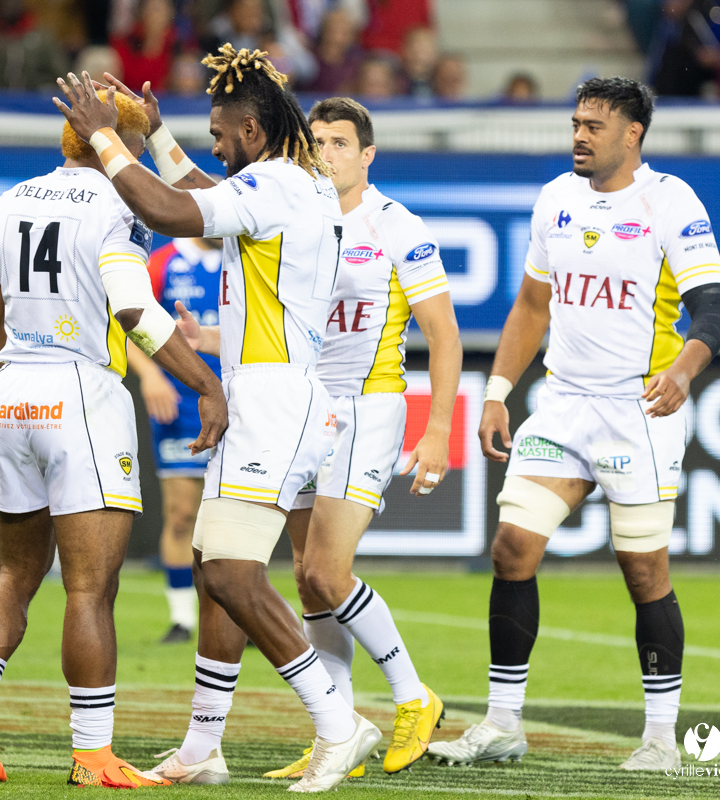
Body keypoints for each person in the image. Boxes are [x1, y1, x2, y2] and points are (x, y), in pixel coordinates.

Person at [57, 48, 383, 792]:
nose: (213, 147)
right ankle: (203, 746)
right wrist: (156, 136)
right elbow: (202, 192)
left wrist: (105, 136)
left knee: (235, 574)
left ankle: (338, 725)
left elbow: (171, 211)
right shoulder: (292, 182)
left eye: (219, 134)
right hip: (262, 394)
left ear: (253, 130)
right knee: (212, 570)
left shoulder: (278, 184)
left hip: (276, 402)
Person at [428, 77, 720, 771]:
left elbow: (712, 308)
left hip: (638, 410)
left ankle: (661, 740)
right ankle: (503, 724)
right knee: (511, 548)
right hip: (562, 404)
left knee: (644, 570)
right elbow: (532, 306)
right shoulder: (555, 198)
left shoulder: (670, 201)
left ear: (633, 134)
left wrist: (683, 372)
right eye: (576, 123)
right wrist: (498, 391)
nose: (579, 136)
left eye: (594, 125)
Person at [0, 88, 226, 788]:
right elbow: (134, 309)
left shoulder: (4, 204)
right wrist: (205, 382)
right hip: (81, 392)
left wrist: (6, 388)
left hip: (12, 390)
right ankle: (93, 754)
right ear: (117, 145)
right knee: (90, 588)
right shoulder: (118, 206)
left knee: (14, 574)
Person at [263, 96, 461, 781]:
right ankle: (339, 731)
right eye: (315, 141)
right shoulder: (297, 219)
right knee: (307, 580)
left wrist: (438, 430)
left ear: (367, 154)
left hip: (366, 408)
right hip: (303, 407)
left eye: (340, 142)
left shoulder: (396, 224)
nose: (325, 153)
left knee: (326, 571)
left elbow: (444, 335)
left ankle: (413, 697)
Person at [126, 236, 222, 643]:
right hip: (179, 404)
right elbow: (126, 324)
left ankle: (240, 612)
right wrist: (150, 375)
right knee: (181, 514)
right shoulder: (163, 262)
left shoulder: (246, 254)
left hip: (238, 399)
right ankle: (183, 618)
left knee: (234, 518)